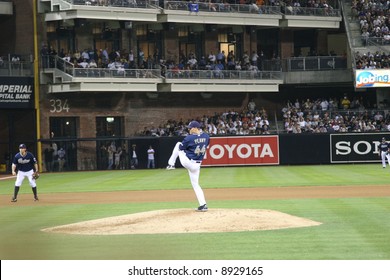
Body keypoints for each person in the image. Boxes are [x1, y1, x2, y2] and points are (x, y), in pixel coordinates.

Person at [166, 120, 210, 212]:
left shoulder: (189, 138)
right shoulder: (206, 136)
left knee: (178, 144)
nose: (189, 129)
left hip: (188, 162)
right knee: (196, 185)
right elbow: (206, 145)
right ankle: (203, 205)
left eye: (190, 128)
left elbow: (181, 148)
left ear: (195, 128)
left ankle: (171, 164)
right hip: (197, 165)